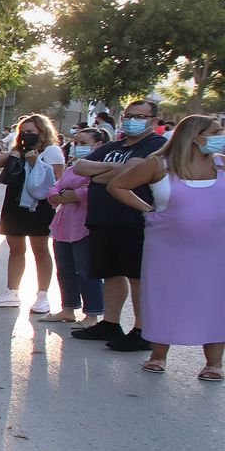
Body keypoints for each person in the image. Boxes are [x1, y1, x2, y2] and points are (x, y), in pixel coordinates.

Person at [108, 114, 225, 380]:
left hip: (216, 248)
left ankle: (213, 362)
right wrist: (148, 209)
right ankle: (158, 355)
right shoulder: (158, 165)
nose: (221, 135)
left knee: (216, 299)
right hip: (166, 248)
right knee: (164, 297)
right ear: (195, 136)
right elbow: (118, 185)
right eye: (216, 131)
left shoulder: (222, 165)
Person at [69, 99, 168, 351]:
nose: (132, 120)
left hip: (134, 219)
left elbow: (139, 172)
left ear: (154, 121)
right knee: (110, 272)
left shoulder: (157, 145)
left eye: (140, 116)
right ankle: (110, 323)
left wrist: (100, 174)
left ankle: (143, 330)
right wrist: (120, 168)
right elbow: (80, 167)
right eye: (129, 115)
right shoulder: (113, 145)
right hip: (103, 219)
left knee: (137, 276)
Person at [0, 113, 65, 312]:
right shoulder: (18, 150)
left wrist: (36, 161)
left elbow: (55, 178)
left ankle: (42, 295)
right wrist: (15, 153)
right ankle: (12, 292)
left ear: (42, 131)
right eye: (23, 132)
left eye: (31, 132)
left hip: (38, 206)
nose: (27, 135)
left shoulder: (52, 151)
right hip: (15, 203)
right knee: (16, 249)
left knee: (40, 250)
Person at [40, 128, 106, 325]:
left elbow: (85, 194)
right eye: (76, 143)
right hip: (63, 226)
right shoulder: (71, 168)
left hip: (84, 227)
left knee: (86, 270)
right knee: (65, 269)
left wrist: (67, 194)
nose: (78, 147)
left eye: (84, 143)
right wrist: (66, 194)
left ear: (98, 145)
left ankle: (92, 314)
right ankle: (68, 309)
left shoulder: (100, 170)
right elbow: (53, 190)